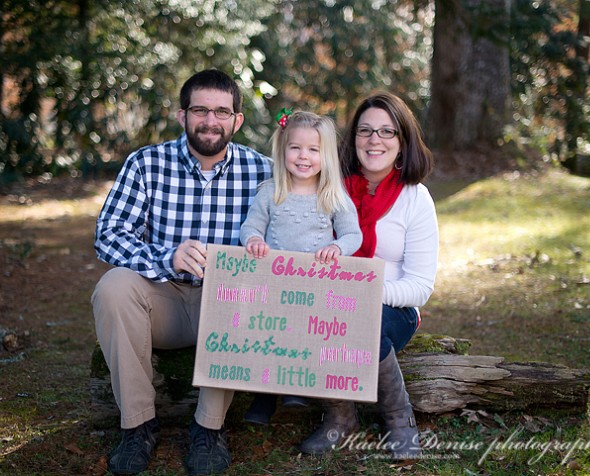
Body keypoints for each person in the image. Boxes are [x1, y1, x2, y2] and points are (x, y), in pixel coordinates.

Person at [91, 69, 272, 476]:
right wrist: (166, 257)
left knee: (237, 286)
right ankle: (138, 425)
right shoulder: (146, 163)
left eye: (222, 112)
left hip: (229, 310)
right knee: (113, 287)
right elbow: (108, 236)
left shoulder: (264, 172)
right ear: (182, 115)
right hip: (164, 300)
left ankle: (209, 429)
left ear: (237, 120)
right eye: (200, 110)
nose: (211, 120)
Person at [297, 92, 438, 459]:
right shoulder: (330, 188)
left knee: (362, 321)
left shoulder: (415, 198)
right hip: (326, 302)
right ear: (354, 138)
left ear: (403, 141)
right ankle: (341, 418)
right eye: (365, 130)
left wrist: (365, 292)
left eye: (387, 131)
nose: (375, 140)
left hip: (393, 307)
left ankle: (399, 419)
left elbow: (420, 287)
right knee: (325, 317)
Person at [239, 110, 363, 425]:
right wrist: (253, 240)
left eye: (313, 149)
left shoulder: (332, 195)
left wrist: (337, 247)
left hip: (314, 285)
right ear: (282, 150)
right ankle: (263, 396)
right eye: (295, 148)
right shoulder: (270, 192)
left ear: (327, 155)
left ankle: (297, 386)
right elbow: (250, 227)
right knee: (268, 335)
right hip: (272, 285)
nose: (303, 156)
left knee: (304, 333)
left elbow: (353, 234)